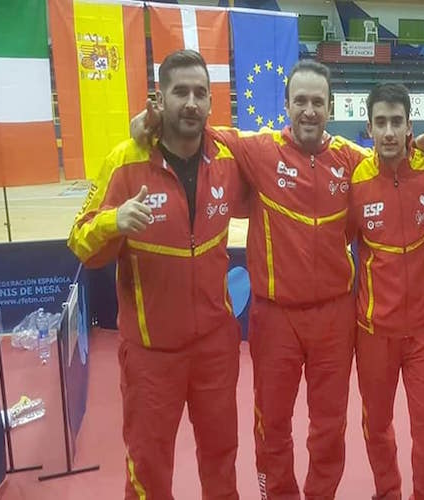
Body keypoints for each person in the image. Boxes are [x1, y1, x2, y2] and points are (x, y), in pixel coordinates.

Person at [130, 60, 424, 500]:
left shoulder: (353, 162)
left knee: (329, 426)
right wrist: (150, 121)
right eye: (301, 101)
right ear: (287, 106)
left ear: (330, 107)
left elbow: (393, 170)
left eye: (318, 102)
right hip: (274, 318)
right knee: (272, 424)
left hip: (335, 317)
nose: (309, 110)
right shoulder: (258, 150)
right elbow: (197, 127)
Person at [68, 50, 246, 500]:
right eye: (180, 91)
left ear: (210, 103)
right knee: (148, 467)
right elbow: (79, 241)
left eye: (200, 93)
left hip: (215, 349)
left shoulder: (228, 158)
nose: (191, 102)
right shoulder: (125, 162)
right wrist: (114, 222)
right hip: (150, 356)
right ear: (159, 98)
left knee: (222, 458)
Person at [349, 83, 424, 500]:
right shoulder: (355, 181)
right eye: (381, 123)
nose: (389, 131)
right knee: (376, 424)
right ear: (368, 128)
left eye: (396, 122)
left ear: (410, 127)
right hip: (373, 331)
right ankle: (387, 491)